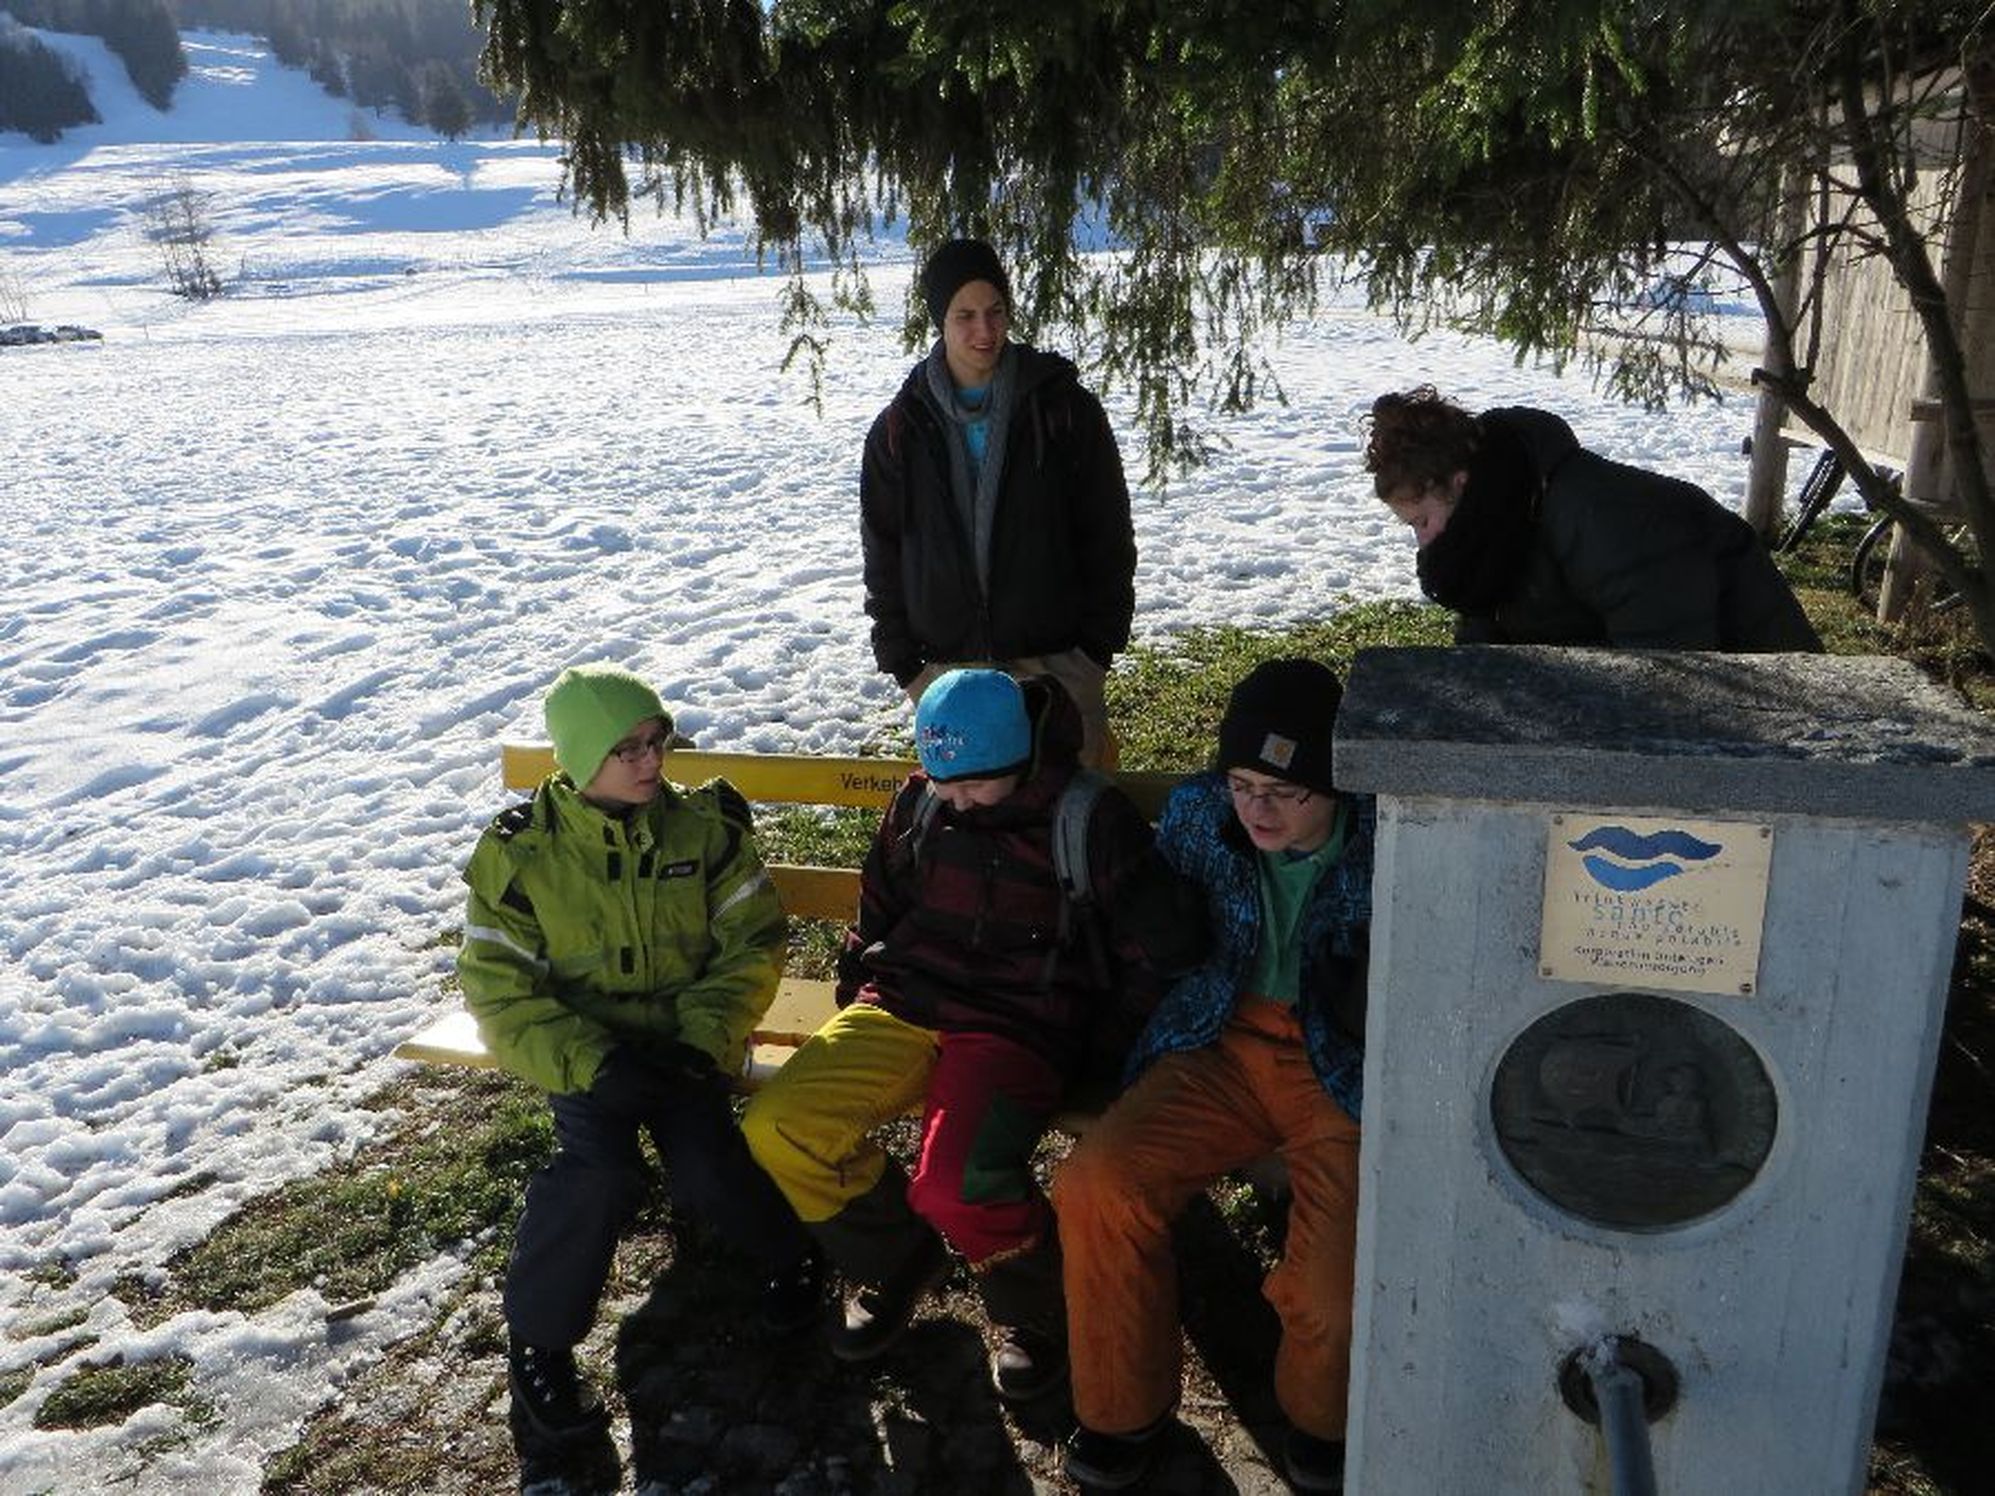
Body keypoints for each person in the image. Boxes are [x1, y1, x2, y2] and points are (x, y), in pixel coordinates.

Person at [741, 668, 1205, 1399]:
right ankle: (897, 1258)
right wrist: (857, 979)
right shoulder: (922, 801)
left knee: (954, 1187)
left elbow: (1158, 948)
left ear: (1020, 756)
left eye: (975, 784)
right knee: (778, 1126)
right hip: (906, 1000)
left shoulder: (1085, 818)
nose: (952, 798)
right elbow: (879, 900)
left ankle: (1036, 1307)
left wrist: (1108, 1043)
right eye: (940, 780)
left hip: (1015, 1021)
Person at [457, 663, 820, 1444]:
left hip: (688, 1047)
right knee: (597, 1176)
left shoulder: (703, 832)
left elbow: (751, 945)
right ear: (581, 756)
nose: (652, 760)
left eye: (657, 740)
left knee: (708, 1161)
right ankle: (539, 1347)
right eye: (628, 749)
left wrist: (701, 1041)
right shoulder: (523, 855)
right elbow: (498, 990)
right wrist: (594, 1063)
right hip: (589, 1059)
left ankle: (793, 1257)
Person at [1055, 658, 1374, 1494]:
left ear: (1333, 784)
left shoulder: (1387, 837)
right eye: (1241, 785)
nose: (1257, 810)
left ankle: (1321, 1422)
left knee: (1330, 1287)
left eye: (1283, 791)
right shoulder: (1202, 815)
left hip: (1339, 1071)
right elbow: (1141, 910)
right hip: (1218, 1045)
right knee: (1099, 1185)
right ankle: (1123, 1408)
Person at [860, 236, 1137, 766]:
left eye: (995, 311)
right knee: (968, 816)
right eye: (965, 316)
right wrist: (908, 668)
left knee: (1071, 810)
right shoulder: (900, 429)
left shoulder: (1063, 410)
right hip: (948, 677)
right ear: (939, 321)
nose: (984, 331)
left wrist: (1092, 655)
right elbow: (883, 555)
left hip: (1059, 668)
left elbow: (1107, 534)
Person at [1363, 384, 1823, 651]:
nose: (1424, 543)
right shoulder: (1496, 530)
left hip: (1773, 719)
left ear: (1461, 484)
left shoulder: (1606, 520)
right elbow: (1484, 652)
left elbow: (1671, 675)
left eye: (1422, 522)